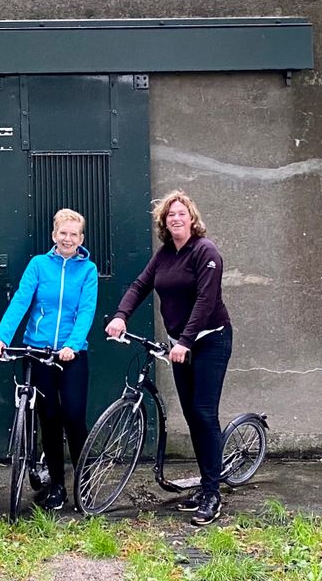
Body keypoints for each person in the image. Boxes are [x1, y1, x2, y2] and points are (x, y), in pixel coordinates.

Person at [106, 190, 232, 526]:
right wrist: (121, 316)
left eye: (181, 213)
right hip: (181, 344)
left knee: (204, 413)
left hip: (210, 340)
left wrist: (186, 341)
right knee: (192, 416)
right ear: (164, 222)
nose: (175, 218)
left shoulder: (205, 251)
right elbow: (140, 285)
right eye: (169, 215)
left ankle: (212, 494)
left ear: (192, 218)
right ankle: (206, 483)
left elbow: (206, 300)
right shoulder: (164, 255)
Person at [0, 208, 98, 511]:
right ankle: (57, 486)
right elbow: (21, 301)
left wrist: (72, 345)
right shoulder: (38, 265)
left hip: (72, 354)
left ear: (81, 239)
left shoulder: (88, 270)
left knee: (73, 417)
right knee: (48, 418)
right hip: (38, 352)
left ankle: (84, 481)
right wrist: (1, 338)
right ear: (54, 235)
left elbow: (86, 310)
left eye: (73, 234)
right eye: (63, 233)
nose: (67, 238)